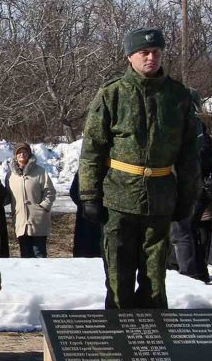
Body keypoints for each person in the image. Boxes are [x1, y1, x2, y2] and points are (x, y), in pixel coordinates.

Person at [79, 27, 200, 308]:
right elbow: (92, 149)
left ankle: (154, 346)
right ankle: (120, 343)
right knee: (118, 278)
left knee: (155, 279)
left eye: (156, 52)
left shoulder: (178, 97)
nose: (150, 58)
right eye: (143, 52)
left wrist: (187, 197)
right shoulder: (113, 94)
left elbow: (189, 154)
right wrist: (89, 195)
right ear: (129, 56)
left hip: (160, 200)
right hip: (118, 199)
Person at [170, 122, 212, 283]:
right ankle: (197, 273)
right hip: (196, 191)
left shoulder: (197, 142)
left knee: (181, 233)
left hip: (193, 192)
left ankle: (189, 276)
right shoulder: (201, 139)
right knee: (189, 233)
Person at [7, 142, 56, 258]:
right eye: (19, 152)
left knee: (39, 254)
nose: (21, 154)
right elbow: (7, 196)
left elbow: (50, 192)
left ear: (29, 154)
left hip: (38, 220)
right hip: (20, 220)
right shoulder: (10, 175)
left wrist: (43, 207)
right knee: (25, 255)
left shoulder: (40, 172)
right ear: (15, 156)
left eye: (24, 152)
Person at [69, 170, 103, 258]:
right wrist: (84, 205)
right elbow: (73, 192)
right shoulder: (83, 171)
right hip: (85, 216)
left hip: (103, 216)